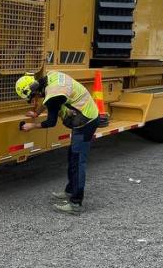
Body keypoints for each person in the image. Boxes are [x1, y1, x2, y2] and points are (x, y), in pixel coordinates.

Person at [15, 71, 101, 215]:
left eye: (32, 96)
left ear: (34, 89)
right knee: (72, 157)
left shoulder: (54, 95)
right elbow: (46, 99)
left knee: (78, 161)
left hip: (86, 121)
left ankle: (75, 204)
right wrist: (36, 113)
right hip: (84, 116)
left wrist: (32, 126)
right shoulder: (50, 78)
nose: (34, 99)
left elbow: (51, 122)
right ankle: (70, 191)